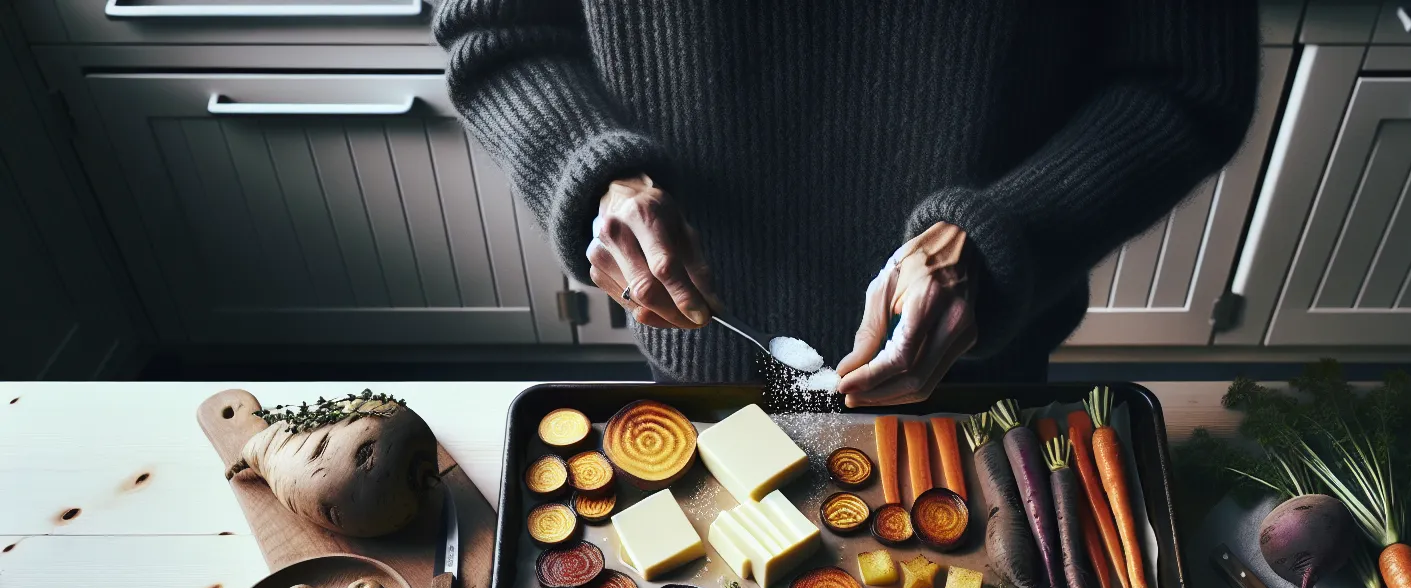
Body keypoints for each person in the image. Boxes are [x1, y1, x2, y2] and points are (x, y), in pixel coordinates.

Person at [436, 1, 1258, 405]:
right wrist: (593, 168)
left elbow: (1185, 83)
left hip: (972, 356)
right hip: (707, 350)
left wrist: (1006, 233)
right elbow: (496, 31)